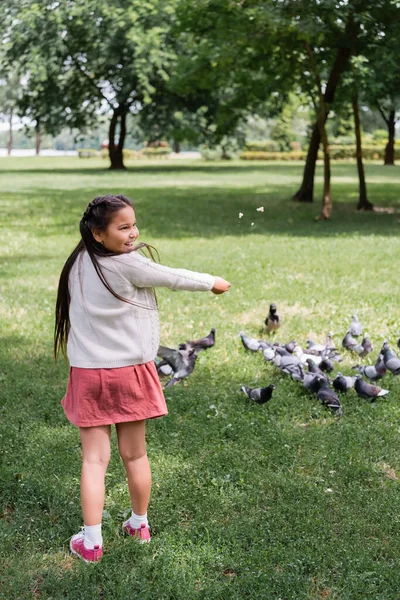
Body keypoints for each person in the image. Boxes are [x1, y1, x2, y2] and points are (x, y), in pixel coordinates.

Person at [54, 194, 231, 563]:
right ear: (98, 234)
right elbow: (172, 277)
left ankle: (91, 543)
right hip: (130, 373)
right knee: (135, 455)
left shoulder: (77, 263)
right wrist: (212, 281)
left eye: (134, 224)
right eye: (123, 227)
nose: (133, 233)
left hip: (88, 374)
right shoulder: (127, 265)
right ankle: (138, 524)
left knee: (93, 462)